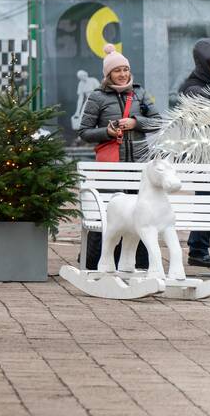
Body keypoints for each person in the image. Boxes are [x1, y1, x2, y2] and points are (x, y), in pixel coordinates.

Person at [76, 44, 159, 269]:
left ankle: (140, 263)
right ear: (108, 74)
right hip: (111, 167)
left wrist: (136, 122)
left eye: (126, 69)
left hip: (139, 165)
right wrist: (107, 132)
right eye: (117, 70)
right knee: (106, 212)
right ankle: (94, 262)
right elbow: (84, 132)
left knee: (140, 213)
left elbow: (158, 121)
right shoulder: (97, 97)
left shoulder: (140, 93)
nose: (123, 74)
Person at [180, 38, 210, 268]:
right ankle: (197, 250)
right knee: (208, 201)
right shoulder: (192, 88)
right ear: (206, 64)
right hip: (205, 158)